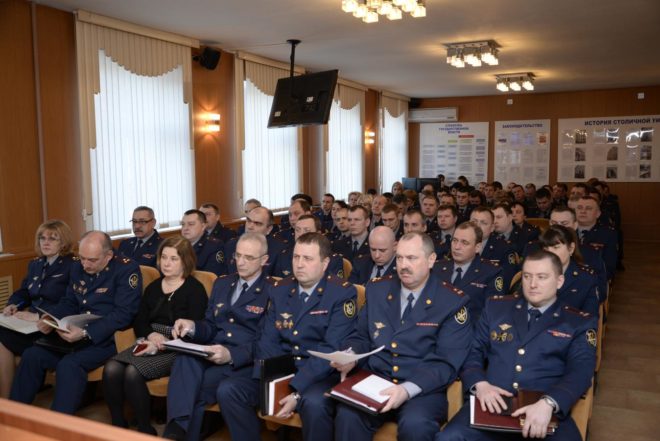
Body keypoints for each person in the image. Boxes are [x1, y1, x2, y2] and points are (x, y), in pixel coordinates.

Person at [436, 250, 597, 441]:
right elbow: (473, 351)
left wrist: (549, 403)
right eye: (527, 276)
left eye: (542, 277)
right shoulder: (496, 308)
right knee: (449, 437)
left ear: (559, 281)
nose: (533, 284)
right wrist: (480, 384)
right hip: (492, 404)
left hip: (543, 410)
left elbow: (581, 371)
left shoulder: (577, 322)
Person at [217, 233, 357, 441]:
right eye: (296, 257)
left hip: (318, 374)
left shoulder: (341, 293)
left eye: (307, 259)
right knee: (229, 390)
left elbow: (330, 350)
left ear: (325, 263)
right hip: (281, 369)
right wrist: (271, 383)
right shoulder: (280, 289)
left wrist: (295, 390)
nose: (299, 264)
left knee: (314, 404)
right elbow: (268, 340)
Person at [334, 232, 473, 441]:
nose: (403, 265)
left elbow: (446, 361)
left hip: (421, 389)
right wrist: (351, 355)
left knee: (416, 425)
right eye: (399, 258)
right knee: (348, 415)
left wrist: (407, 390)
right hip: (376, 381)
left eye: (412, 258)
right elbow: (361, 336)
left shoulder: (452, 301)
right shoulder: (377, 289)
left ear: (431, 260)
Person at [10, 231, 142, 414]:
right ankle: (12, 414)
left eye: (92, 260)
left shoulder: (126, 269)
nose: (85, 264)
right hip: (74, 331)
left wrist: (86, 333)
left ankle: (58, 424)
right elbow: (70, 301)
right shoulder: (77, 266)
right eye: (82, 258)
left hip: (106, 337)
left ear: (109, 255)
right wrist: (50, 317)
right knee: (32, 355)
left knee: (69, 365)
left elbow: (124, 314)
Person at [162, 233, 272, 441]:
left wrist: (231, 355)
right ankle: (176, 431)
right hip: (214, 353)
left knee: (195, 389)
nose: (240, 262)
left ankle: (177, 432)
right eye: (238, 255)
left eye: (249, 257)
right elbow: (211, 326)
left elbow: (267, 342)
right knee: (185, 359)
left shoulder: (273, 290)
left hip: (245, 362)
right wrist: (193, 326)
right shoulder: (222, 283)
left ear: (264, 260)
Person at [103, 236, 208, 434]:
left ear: (186, 261)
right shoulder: (153, 287)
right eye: (164, 257)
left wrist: (166, 342)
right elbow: (140, 321)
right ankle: (118, 424)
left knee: (132, 372)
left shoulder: (195, 290)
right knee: (111, 368)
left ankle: (145, 429)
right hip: (150, 339)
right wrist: (151, 335)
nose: (166, 263)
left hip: (178, 347)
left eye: (174, 259)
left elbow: (196, 329)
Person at [0, 220, 75, 398]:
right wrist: (13, 305)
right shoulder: (36, 264)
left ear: (63, 242)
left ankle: (6, 401)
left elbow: (71, 301)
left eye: (52, 238)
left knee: (1, 339)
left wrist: (38, 315)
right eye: (42, 238)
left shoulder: (72, 265)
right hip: (28, 326)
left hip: (51, 327)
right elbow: (25, 291)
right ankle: (7, 399)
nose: (45, 242)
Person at [434, 222, 504, 321]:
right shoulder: (436, 268)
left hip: (472, 327)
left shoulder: (491, 272)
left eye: (464, 242)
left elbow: (492, 311)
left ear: (477, 247)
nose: (457, 247)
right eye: (455, 240)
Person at [538, 226, 599, 317]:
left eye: (556, 247)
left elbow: (590, 317)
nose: (550, 254)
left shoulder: (586, 278)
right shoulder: (534, 273)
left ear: (571, 248)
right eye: (546, 249)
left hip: (570, 325)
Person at [272, 214, 344, 279]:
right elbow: (279, 284)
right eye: (297, 230)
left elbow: (334, 287)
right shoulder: (283, 256)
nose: (301, 234)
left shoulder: (333, 260)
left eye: (307, 230)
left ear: (318, 234)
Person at [224, 206, 285, 275]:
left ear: (269, 229)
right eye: (249, 221)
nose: (250, 227)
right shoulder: (231, 245)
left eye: (257, 223)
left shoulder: (279, 250)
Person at [470, 207, 519, 291]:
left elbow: (505, 281)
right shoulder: (459, 245)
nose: (477, 226)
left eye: (483, 223)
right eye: (474, 222)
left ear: (492, 228)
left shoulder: (504, 248)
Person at [575, 196, 617, 281]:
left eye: (588, 208)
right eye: (579, 208)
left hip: (593, 280)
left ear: (598, 213)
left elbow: (609, 267)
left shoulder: (607, 234)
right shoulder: (567, 231)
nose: (583, 211)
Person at [181, 209, 227, 276]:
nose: (185, 228)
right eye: (183, 224)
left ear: (203, 226)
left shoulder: (214, 246)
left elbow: (211, 277)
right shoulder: (178, 245)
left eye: (191, 224)